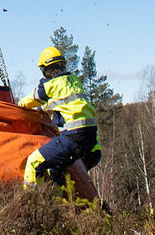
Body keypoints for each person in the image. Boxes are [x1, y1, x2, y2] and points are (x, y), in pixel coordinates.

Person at [18, 46, 102, 188]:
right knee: (56, 170)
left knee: (34, 162)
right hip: (91, 140)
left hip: (73, 136)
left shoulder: (50, 85)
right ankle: (60, 204)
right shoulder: (75, 81)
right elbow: (59, 104)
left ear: (46, 69)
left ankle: (30, 203)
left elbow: (29, 101)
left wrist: (16, 107)